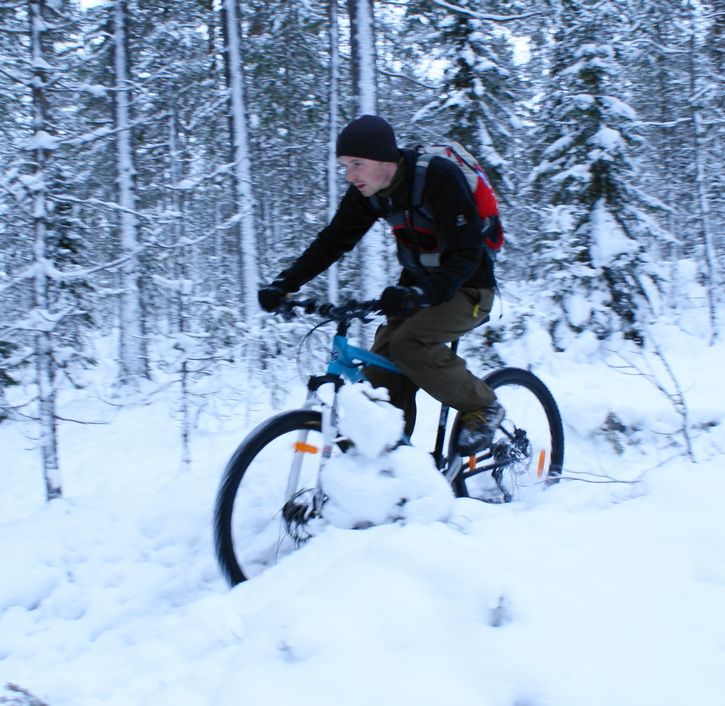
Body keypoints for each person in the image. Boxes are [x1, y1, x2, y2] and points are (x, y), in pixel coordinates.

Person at [258, 115, 504, 454]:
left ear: (385, 159)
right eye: (345, 166)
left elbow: (467, 253)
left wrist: (421, 293)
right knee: (381, 375)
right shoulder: (369, 193)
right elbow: (332, 242)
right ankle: (388, 459)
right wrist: (284, 284)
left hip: (469, 288)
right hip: (417, 290)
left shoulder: (437, 177)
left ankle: (483, 406)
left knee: (408, 345)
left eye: (357, 164)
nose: (350, 175)